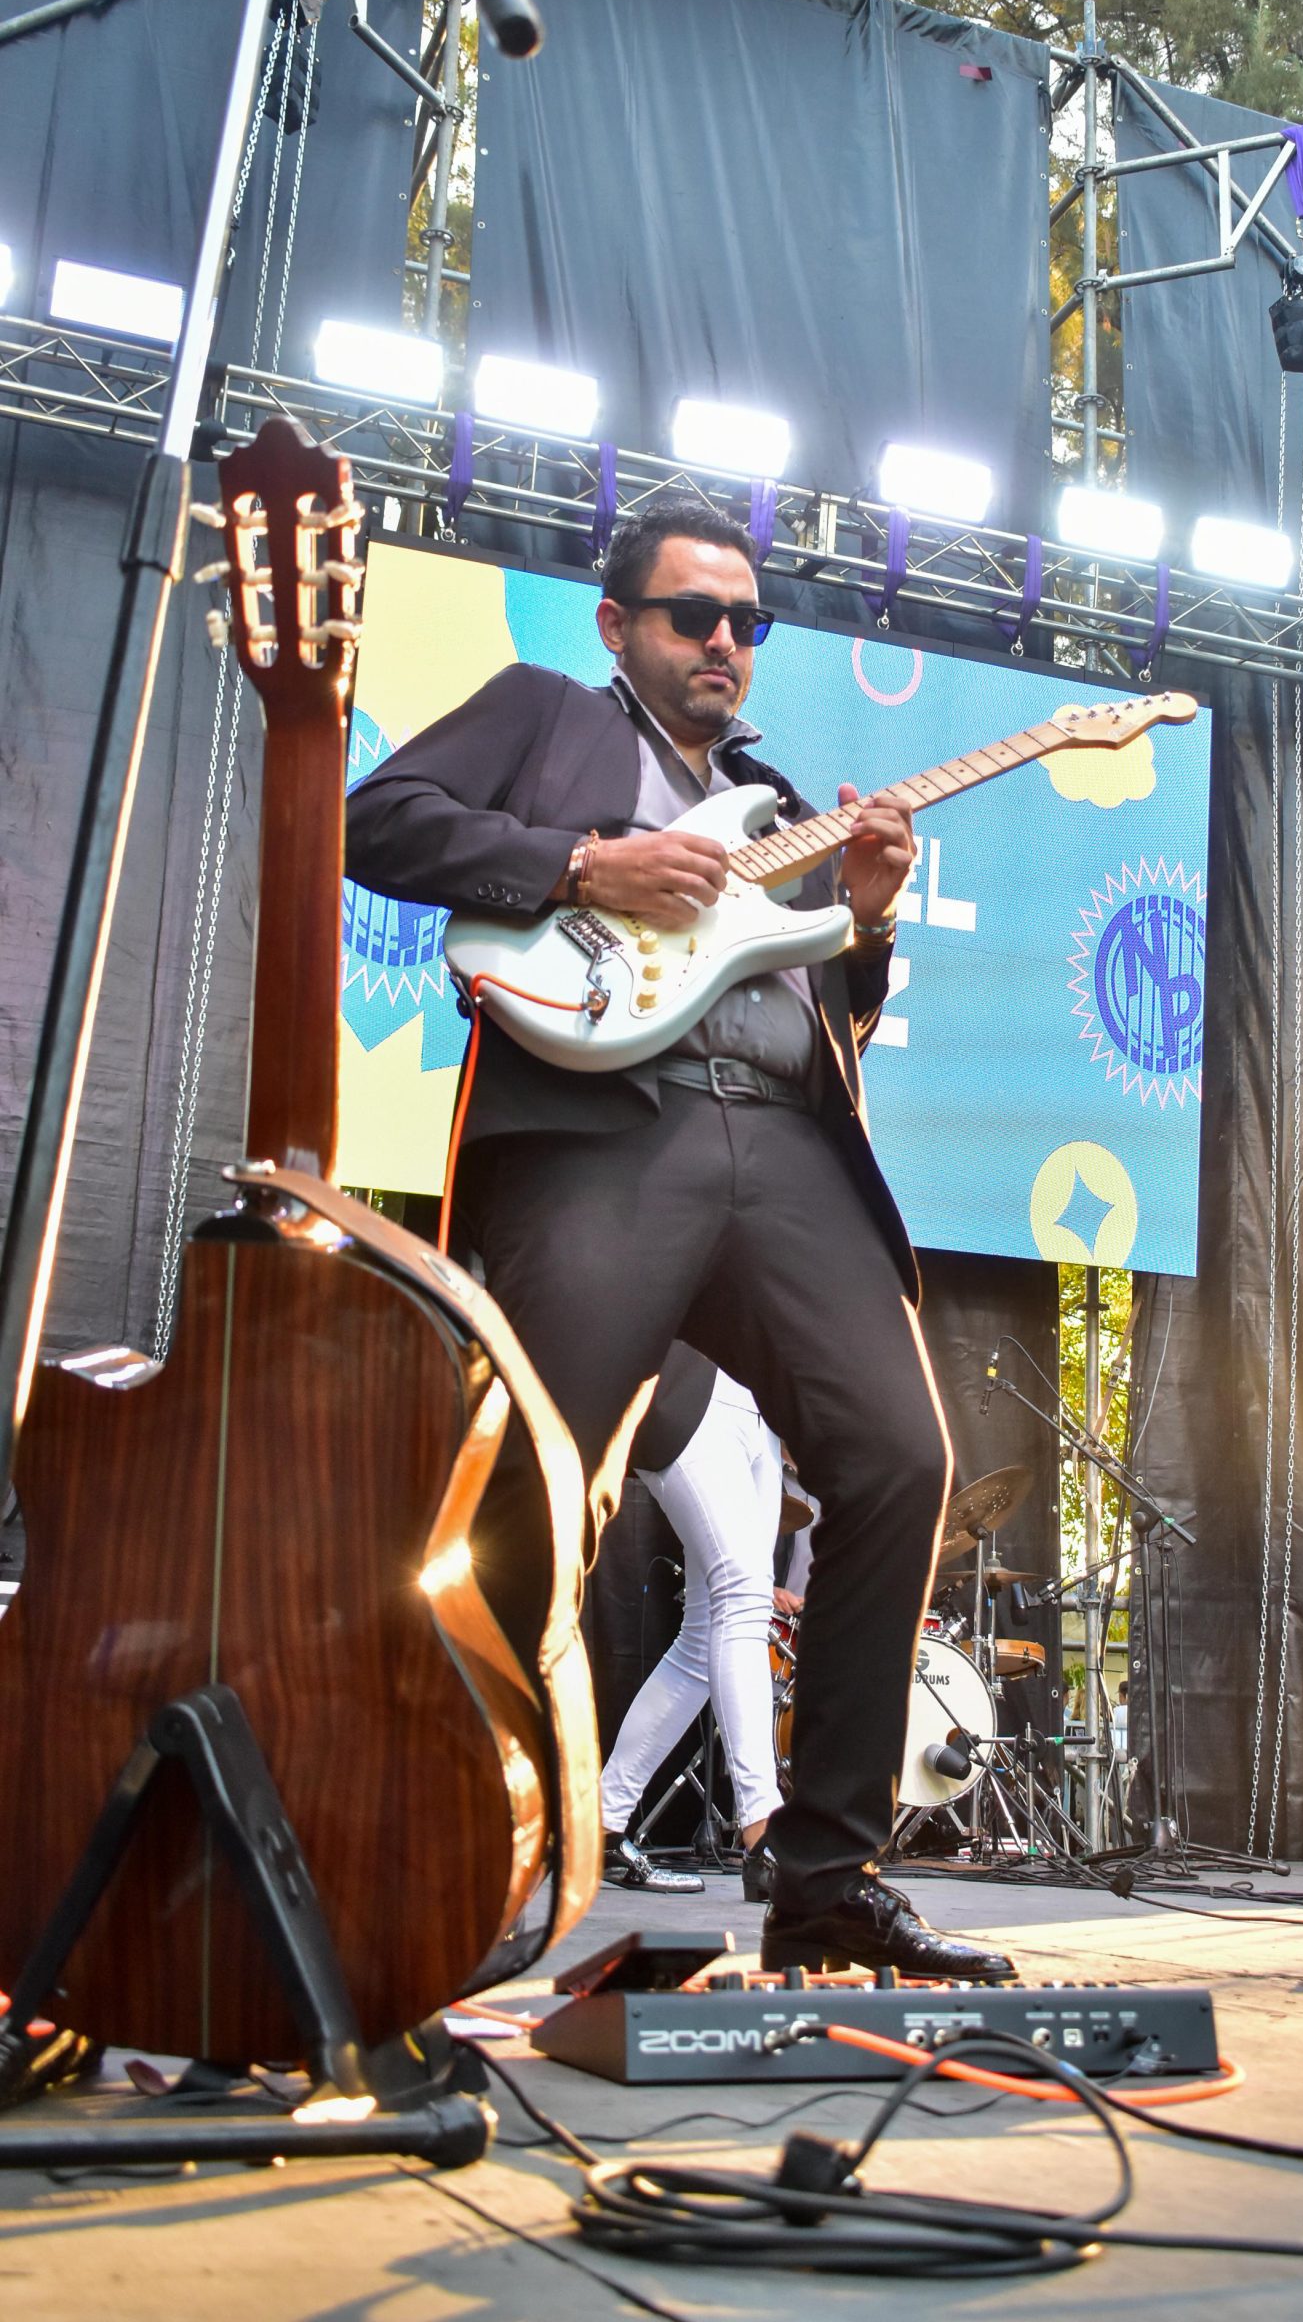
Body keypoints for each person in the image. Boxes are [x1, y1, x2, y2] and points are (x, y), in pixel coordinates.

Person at [345, 495, 1011, 1982]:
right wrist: (585, 868)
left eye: (746, 621)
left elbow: (826, 1013)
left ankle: (826, 1878)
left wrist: (868, 923)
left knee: (899, 1459)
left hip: (783, 1146)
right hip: (606, 1135)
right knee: (532, 1489)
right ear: (617, 625)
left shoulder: (777, 807)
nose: (724, 640)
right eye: (692, 613)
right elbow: (373, 820)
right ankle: (437, 1852)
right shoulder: (544, 716)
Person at [600, 1368, 792, 1903]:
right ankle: (763, 1832)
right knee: (746, 1596)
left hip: (762, 1414)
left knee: (702, 1638)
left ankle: (602, 1823)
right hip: (695, 1394)